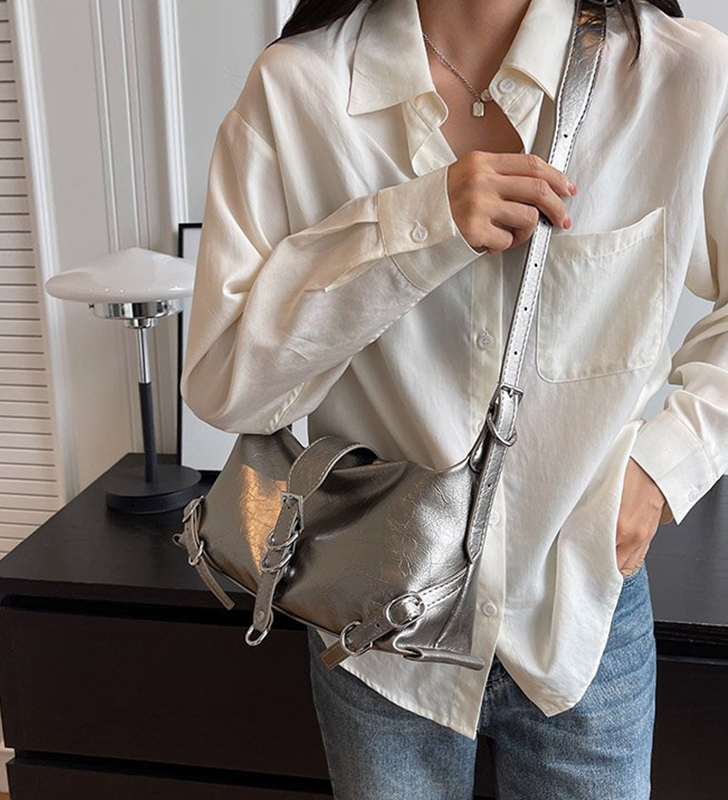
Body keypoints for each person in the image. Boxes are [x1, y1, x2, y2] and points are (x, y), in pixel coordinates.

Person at [180, 0, 728, 797]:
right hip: (376, 631)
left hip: (581, 613)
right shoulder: (297, 92)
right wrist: (417, 224)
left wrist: (663, 470)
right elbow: (225, 381)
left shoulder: (679, 76)